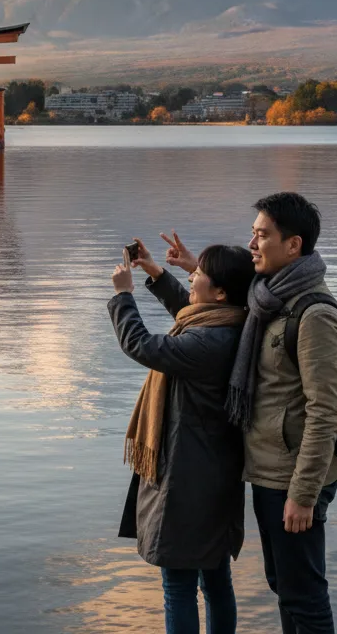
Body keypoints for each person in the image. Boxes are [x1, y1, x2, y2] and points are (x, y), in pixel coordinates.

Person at [108, 238, 254, 634]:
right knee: (215, 578)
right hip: (216, 472)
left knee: (177, 585)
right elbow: (190, 311)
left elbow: (142, 345)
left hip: (187, 480)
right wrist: (156, 272)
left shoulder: (207, 342)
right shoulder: (232, 324)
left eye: (200, 274)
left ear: (221, 291)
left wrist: (124, 297)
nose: (192, 278)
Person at [226, 192, 337, 634]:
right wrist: (173, 274)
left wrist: (303, 493)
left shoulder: (314, 314)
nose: (252, 243)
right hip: (268, 471)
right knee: (285, 586)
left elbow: (326, 413)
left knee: (305, 595)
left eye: (262, 235)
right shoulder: (269, 298)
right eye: (254, 233)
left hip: (293, 479)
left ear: (293, 245)